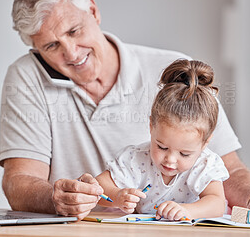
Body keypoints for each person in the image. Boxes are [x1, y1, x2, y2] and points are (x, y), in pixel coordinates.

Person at [0, 0, 250, 221]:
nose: (72, 53)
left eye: (75, 31)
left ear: (93, 10)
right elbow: (19, 182)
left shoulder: (175, 75)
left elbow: (228, 169)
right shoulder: (26, 77)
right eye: (51, 46)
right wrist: (57, 199)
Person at [96, 59, 229, 220]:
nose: (170, 160)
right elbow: (99, 185)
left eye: (185, 154)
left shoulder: (205, 164)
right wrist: (118, 196)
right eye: (162, 147)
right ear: (151, 126)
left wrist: (187, 210)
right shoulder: (136, 158)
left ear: (205, 143)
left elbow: (217, 204)